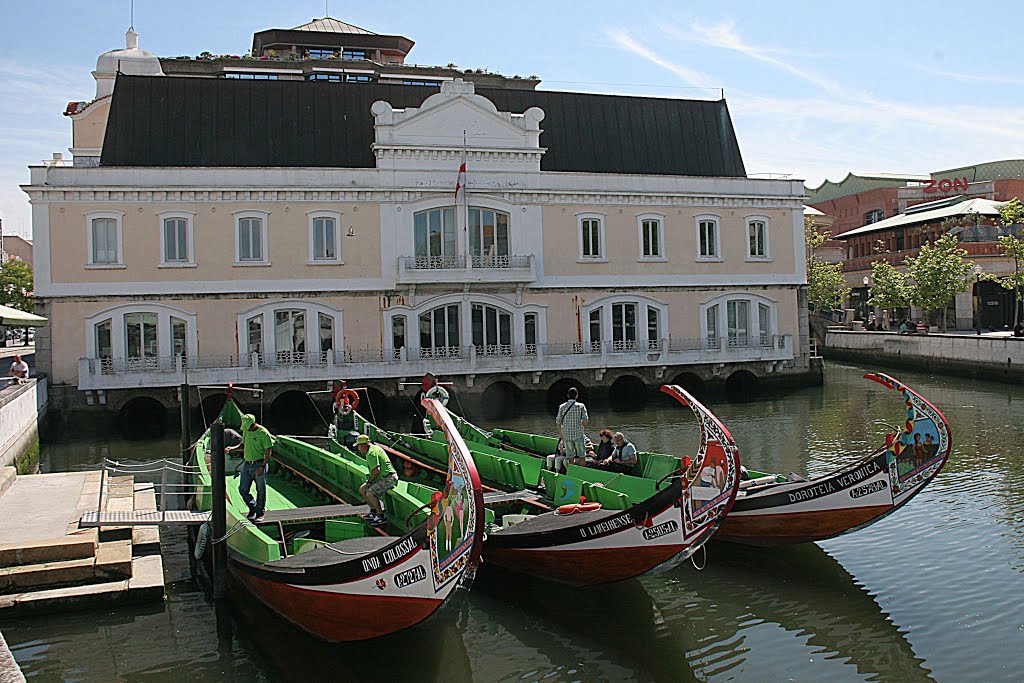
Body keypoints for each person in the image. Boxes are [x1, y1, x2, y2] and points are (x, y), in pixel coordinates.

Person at [226, 414, 275, 522]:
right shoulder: (246, 431)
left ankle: (260, 513)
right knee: (243, 489)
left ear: (253, 424)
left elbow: (268, 451)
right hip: (247, 464)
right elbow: (243, 444)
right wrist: (233, 448)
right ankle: (253, 507)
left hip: (259, 464)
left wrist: (263, 466)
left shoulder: (263, 433)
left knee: (261, 490)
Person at [356, 434, 398, 525]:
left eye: (358, 446)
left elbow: (376, 470)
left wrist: (369, 482)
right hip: (382, 477)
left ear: (363, 446)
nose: (358, 449)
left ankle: (380, 516)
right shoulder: (373, 448)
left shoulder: (371, 453)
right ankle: (373, 511)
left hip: (389, 478)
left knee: (370, 493)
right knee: (362, 489)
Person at [555, 387, 589, 466]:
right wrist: (580, 423)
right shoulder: (581, 406)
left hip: (567, 436)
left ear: (567, 395)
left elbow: (558, 422)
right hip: (578, 435)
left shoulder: (562, 407)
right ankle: (582, 472)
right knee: (582, 456)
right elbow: (585, 421)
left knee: (570, 457)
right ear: (577, 396)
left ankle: (572, 473)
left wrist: (561, 435)